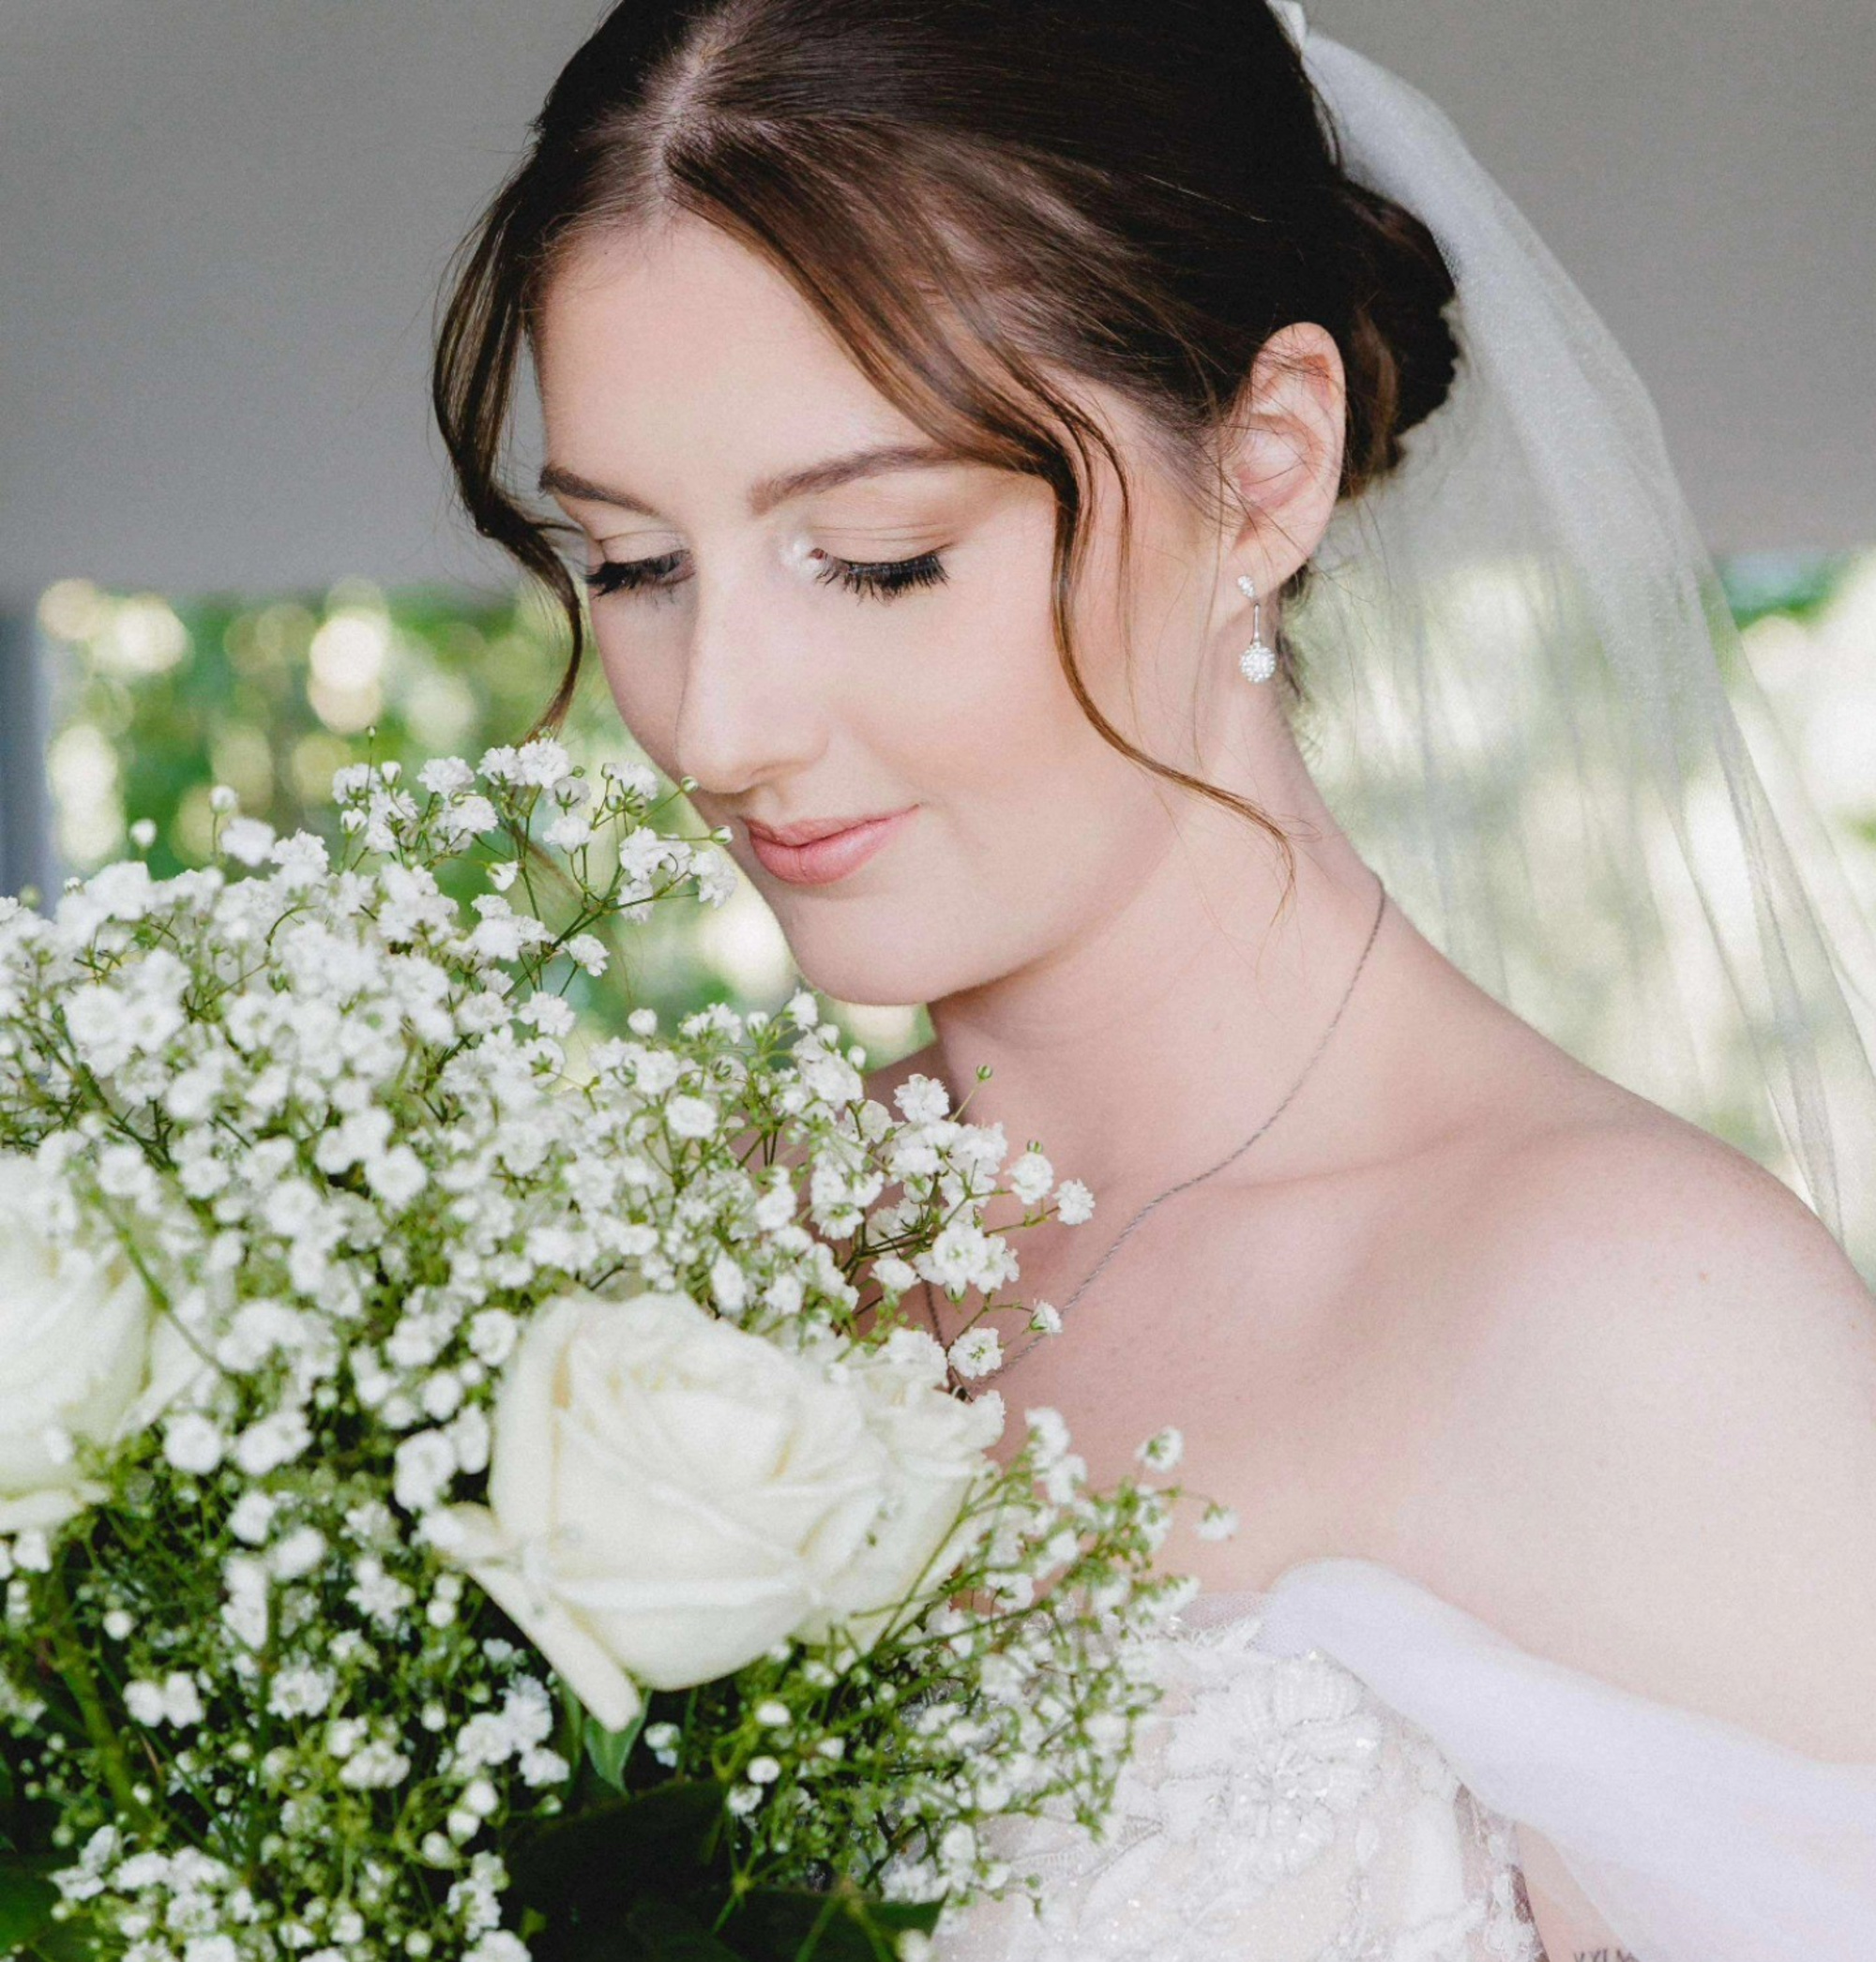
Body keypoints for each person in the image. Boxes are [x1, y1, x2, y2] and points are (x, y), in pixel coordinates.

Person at [430, 0, 1876, 1953]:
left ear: (1265, 471)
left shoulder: (1631, 1319)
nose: (717, 726)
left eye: (871, 554)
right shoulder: (678, 1275)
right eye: (628, 565)